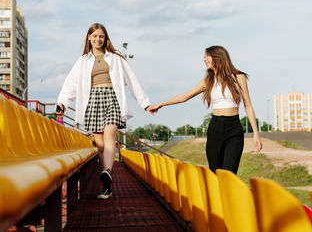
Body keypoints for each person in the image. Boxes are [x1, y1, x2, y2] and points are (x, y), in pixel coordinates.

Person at [57, 23, 151, 199]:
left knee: (109, 137)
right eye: (95, 36)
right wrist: (62, 102)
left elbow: (132, 80)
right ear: (89, 38)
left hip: (112, 99)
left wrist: (145, 103)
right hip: (93, 100)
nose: (98, 39)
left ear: (105, 38)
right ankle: (106, 184)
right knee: (99, 144)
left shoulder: (116, 58)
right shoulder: (83, 61)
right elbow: (71, 84)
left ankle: (107, 171)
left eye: (101, 36)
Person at [148, 45, 262, 174]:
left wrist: (256, 134)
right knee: (215, 173)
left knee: (230, 175)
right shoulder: (208, 81)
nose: (204, 60)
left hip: (234, 130)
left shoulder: (238, 77)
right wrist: (161, 104)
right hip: (216, 128)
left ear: (217, 57)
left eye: (207, 56)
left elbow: (248, 105)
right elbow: (184, 96)